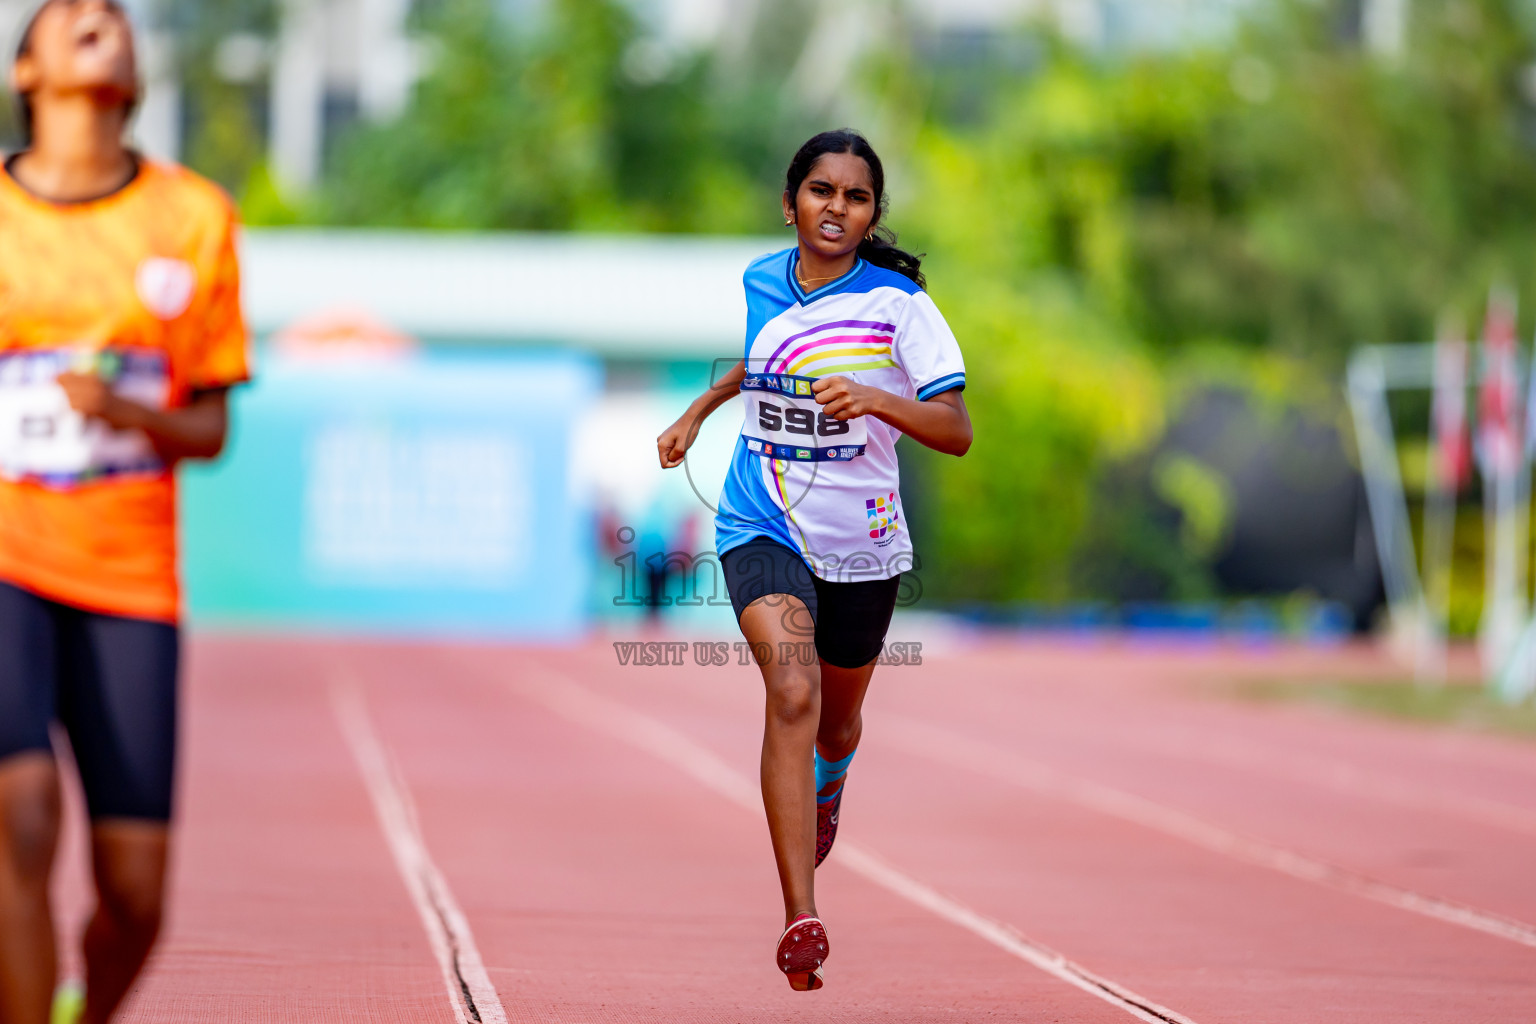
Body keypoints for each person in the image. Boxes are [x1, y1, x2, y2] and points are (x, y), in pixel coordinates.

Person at [656, 129, 970, 990]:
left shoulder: (901, 305)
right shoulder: (763, 280)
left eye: (856, 196)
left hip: (862, 544)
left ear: (873, 216)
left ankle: (829, 785)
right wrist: (698, 411)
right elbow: (761, 367)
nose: (836, 207)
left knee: (836, 721)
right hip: (762, 519)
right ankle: (803, 915)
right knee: (791, 691)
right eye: (821, 191)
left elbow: (956, 430)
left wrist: (876, 397)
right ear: (791, 201)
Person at [0, 2, 249, 1021]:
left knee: (136, 900)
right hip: (7, 554)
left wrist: (128, 411)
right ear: (27, 69)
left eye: (115, 14)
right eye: (72, 12)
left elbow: (211, 427)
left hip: (129, 578)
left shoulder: (193, 217)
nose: (101, 16)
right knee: (18, 811)